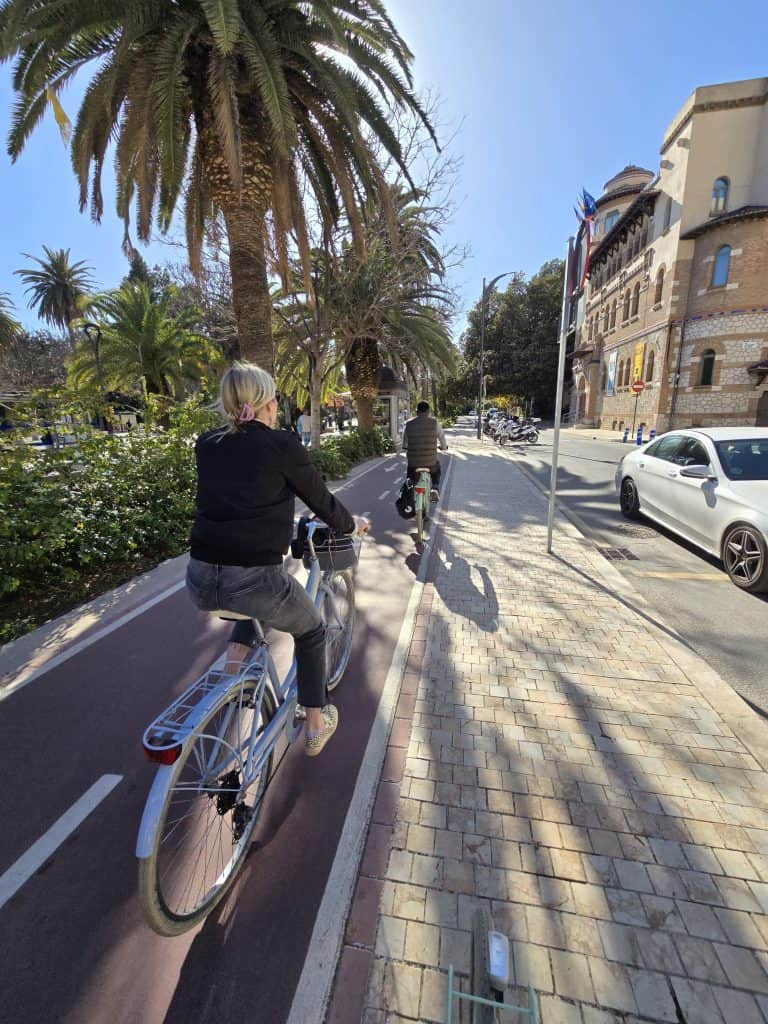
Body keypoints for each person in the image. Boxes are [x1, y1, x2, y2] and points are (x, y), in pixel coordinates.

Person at [186, 362, 369, 757]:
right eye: (274, 397)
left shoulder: (207, 443)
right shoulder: (281, 444)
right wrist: (353, 525)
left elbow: (236, 500)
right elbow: (321, 500)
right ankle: (317, 725)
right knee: (312, 628)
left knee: (252, 609)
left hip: (199, 578)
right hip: (253, 579)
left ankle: (227, 685)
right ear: (267, 401)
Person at [402, 401, 448, 500]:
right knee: (437, 470)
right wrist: (444, 447)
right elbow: (442, 437)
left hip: (413, 463)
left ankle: (409, 483)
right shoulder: (434, 423)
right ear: (428, 411)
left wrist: (406, 447)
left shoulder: (409, 424)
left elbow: (405, 443)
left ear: (417, 411)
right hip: (430, 463)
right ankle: (435, 488)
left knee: (410, 473)